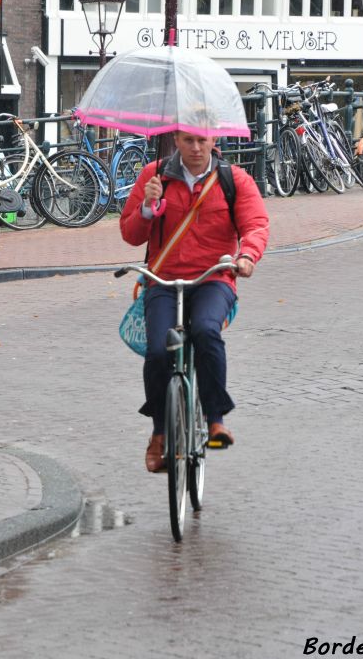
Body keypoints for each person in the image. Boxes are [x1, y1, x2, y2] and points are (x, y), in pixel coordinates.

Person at [119, 131, 270, 473]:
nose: (197, 148)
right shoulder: (154, 176)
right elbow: (130, 234)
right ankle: (159, 433)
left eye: (203, 140)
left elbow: (256, 224)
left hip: (213, 277)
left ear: (214, 138)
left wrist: (246, 256)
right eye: (189, 140)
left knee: (205, 331)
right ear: (177, 140)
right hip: (164, 278)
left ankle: (215, 420)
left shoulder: (234, 179)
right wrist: (147, 207)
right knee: (158, 351)